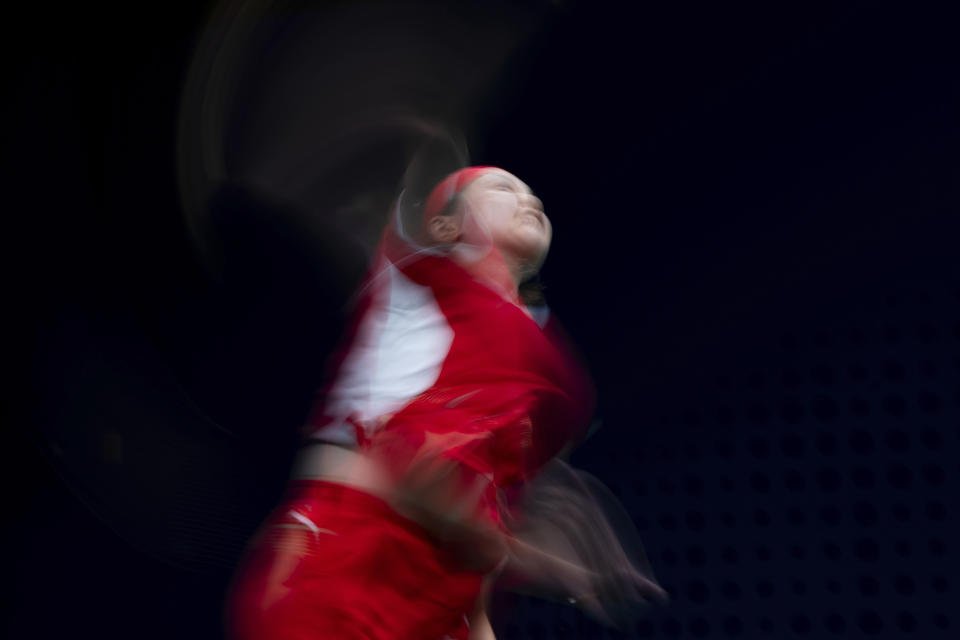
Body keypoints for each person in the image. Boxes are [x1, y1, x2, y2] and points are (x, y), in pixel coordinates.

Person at [225, 165, 666, 640]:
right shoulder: (424, 287)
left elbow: (472, 551)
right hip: (338, 577)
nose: (529, 199)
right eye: (503, 188)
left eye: (533, 193)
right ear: (444, 227)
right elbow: (414, 472)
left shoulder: (535, 360)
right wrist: (538, 559)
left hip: (427, 605)